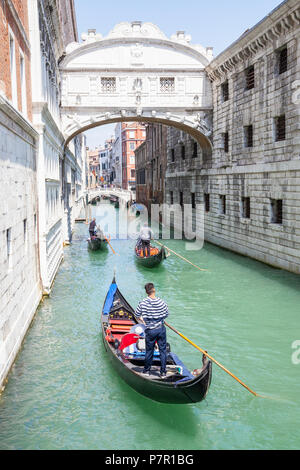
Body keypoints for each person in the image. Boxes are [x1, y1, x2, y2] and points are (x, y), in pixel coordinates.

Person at [135, 283, 169, 378]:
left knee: (149, 351)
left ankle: (146, 371)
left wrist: (143, 319)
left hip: (150, 330)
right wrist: (159, 318)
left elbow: (137, 314)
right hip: (161, 329)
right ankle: (163, 372)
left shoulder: (143, 303)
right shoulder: (162, 302)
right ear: (154, 290)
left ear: (146, 292)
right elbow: (166, 314)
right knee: (163, 350)